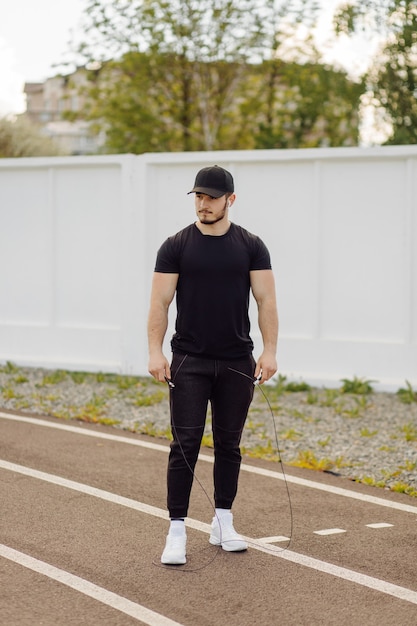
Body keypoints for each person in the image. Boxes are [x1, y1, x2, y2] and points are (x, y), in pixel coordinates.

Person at [147, 165, 278, 565]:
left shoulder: (252, 246)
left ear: (230, 200)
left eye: (211, 197)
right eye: (198, 197)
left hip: (238, 360)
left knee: (229, 445)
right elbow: (159, 303)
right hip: (190, 359)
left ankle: (224, 521)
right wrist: (156, 351)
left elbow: (266, 301)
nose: (203, 204)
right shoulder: (176, 245)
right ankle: (176, 531)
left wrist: (269, 351)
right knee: (183, 445)